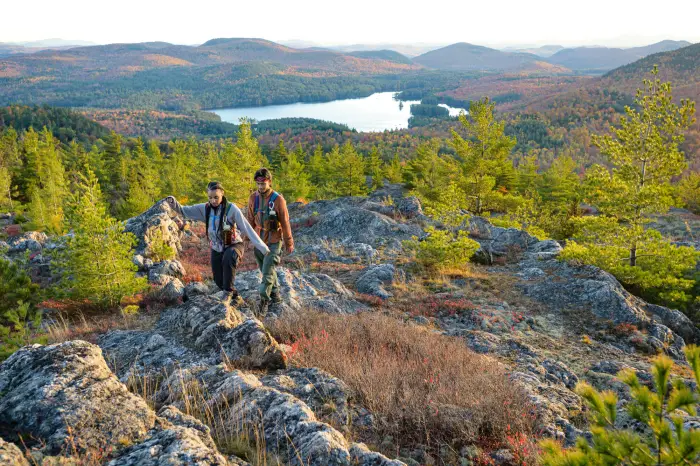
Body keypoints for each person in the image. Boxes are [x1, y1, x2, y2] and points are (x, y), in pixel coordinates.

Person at [165, 181, 269, 305]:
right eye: (210, 198)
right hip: (216, 247)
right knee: (219, 280)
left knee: (228, 258)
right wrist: (173, 203)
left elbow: (247, 228)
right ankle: (237, 298)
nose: (213, 200)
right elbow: (184, 211)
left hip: (234, 245)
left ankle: (228, 293)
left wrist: (263, 248)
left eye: (216, 197)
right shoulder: (205, 208)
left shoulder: (232, 209)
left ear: (222, 194)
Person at [246, 168, 294, 315]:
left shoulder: (278, 200)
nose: (260, 187)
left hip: (274, 240)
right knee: (266, 269)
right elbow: (249, 220)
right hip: (259, 240)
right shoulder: (253, 198)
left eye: (263, 183)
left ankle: (264, 301)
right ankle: (275, 294)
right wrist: (247, 238)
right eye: (258, 183)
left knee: (267, 272)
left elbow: (285, 222)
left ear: (269, 182)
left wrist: (289, 242)